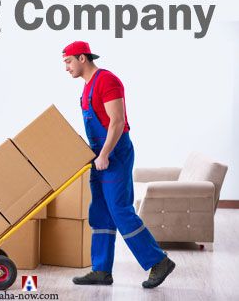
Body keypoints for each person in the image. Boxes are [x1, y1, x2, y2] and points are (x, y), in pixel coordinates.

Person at [63, 41, 175, 289]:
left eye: (68, 61)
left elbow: (117, 122)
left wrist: (104, 154)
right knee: (100, 212)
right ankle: (101, 270)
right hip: (99, 156)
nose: (66, 67)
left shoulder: (107, 81)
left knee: (120, 210)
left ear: (83, 58)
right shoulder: (86, 88)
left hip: (114, 155)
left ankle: (159, 261)